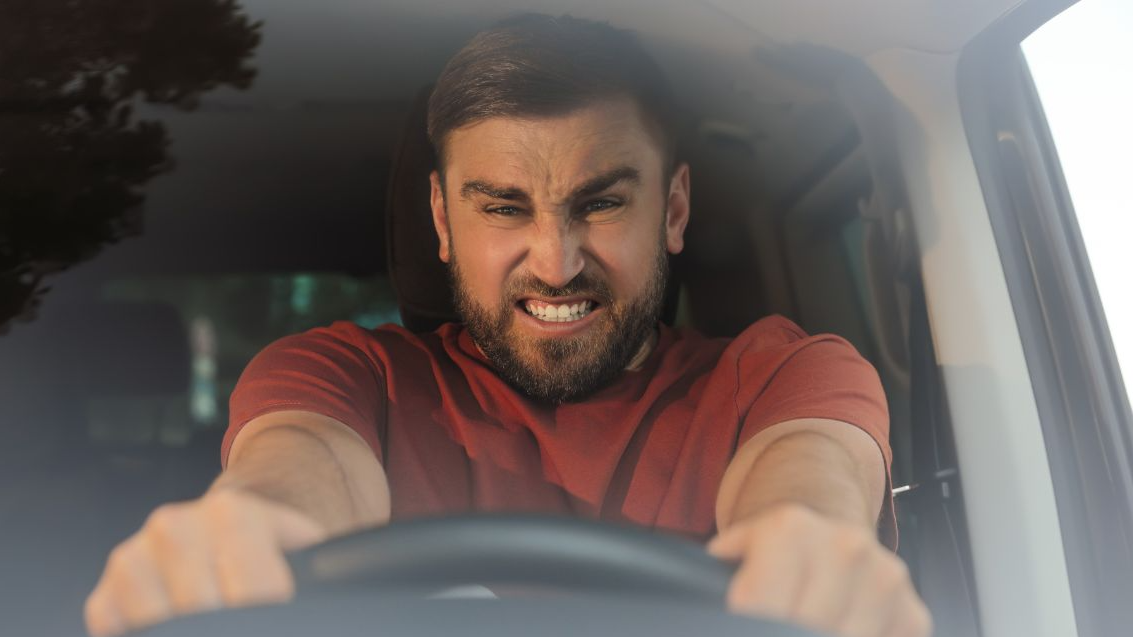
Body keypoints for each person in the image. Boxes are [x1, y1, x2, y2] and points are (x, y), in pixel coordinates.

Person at [84, 14, 930, 637]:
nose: (555, 262)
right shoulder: (344, 374)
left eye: (599, 203)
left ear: (671, 210)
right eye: (502, 208)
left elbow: (810, 478)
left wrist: (811, 547)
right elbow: (298, 469)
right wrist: (252, 529)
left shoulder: (783, 376)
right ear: (443, 222)